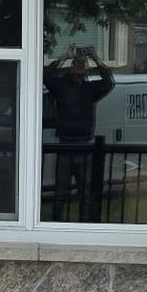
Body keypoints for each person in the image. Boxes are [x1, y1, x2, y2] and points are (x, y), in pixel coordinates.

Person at [44, 47, 115, 219]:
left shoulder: (90, 89)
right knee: (61, 192)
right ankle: (56, 223)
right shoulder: (61, 87)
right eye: (76, 63)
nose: (79, 66)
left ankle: (83, 223)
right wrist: (63, 57)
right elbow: (45, 76)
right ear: (71, 66)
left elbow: (109, 83)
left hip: (84, 145)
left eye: (82, 63)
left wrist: (96, 58)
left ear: (86, 68)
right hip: (65, 145)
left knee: (85, 192)